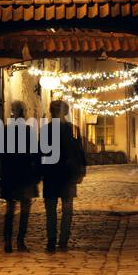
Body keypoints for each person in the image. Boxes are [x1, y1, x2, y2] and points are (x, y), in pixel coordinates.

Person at [41, 100, 87, 253]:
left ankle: (51, 240)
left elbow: (41, 152)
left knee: (51, 210)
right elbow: (80, 152)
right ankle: (63, 241)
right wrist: (81, 170)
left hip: (51, 175)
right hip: (67, 175)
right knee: (67, 210)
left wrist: (40, 171)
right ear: (66, 112)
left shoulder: (46, 129)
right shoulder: (73, 129)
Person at [0, 101, 40, 253]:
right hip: (25, 175)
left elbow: (1, 155)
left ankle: (8, 241)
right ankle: (20, 241)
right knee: (24, 210)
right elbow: (35, 154)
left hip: (11, 175)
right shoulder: (28, 131)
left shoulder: (5, 130)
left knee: (10, 210)